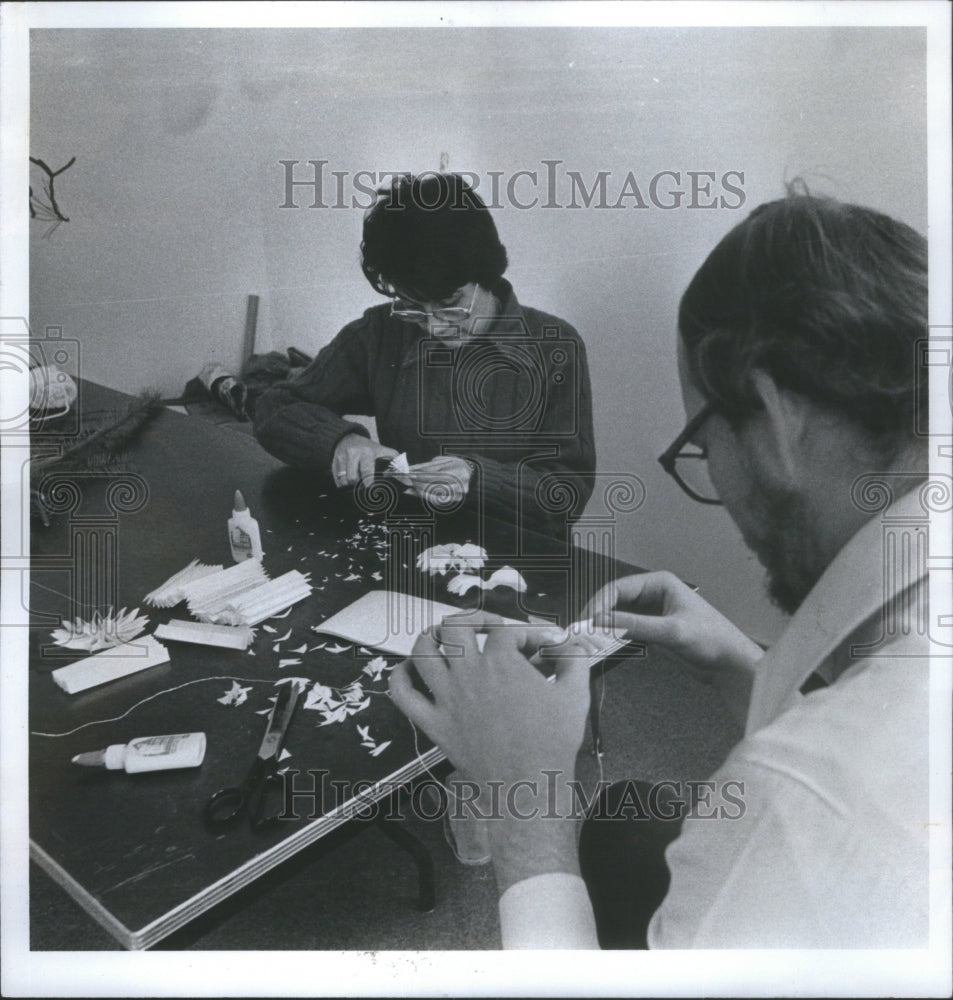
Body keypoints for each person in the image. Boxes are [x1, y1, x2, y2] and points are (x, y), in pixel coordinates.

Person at [389, 191, 936, 948]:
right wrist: (742, 666)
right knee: (627, 819)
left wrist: (523, 799)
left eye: (701, 446)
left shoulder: (796, 796)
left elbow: (824, 786)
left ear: (776, 421)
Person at [253, 172, 596, 530]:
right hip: (410, 544)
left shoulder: (554, 346)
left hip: (518, 559)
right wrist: (340, 441)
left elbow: (567, 493)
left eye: (450, 303)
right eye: (414, 306)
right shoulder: (382, 332)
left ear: (486, 274)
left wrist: (476, 480)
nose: (434, 326)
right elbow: (274, 405)